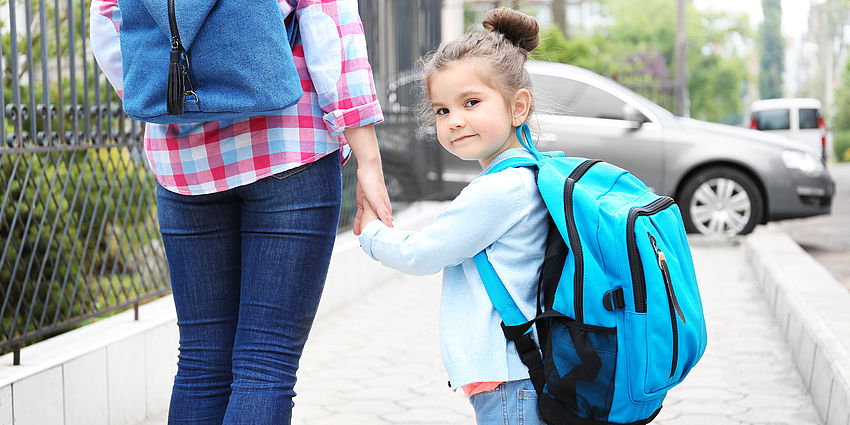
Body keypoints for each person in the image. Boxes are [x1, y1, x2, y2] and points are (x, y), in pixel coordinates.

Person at [90, 0, 393, 423]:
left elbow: (106, 23)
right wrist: (369, 162)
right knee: (265, 366)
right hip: (288, 146)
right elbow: (329, 22)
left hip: (184, 166)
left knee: (199, 365)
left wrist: (173, 100)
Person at [357, 8, 547, 425]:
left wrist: (371, 233)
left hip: (510, 378)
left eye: (471, 103)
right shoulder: (532, 173)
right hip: (519, 373)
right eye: (442, 110)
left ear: (519, 107)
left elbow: (423, 252)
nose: (454, 120)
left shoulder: (500, 189)